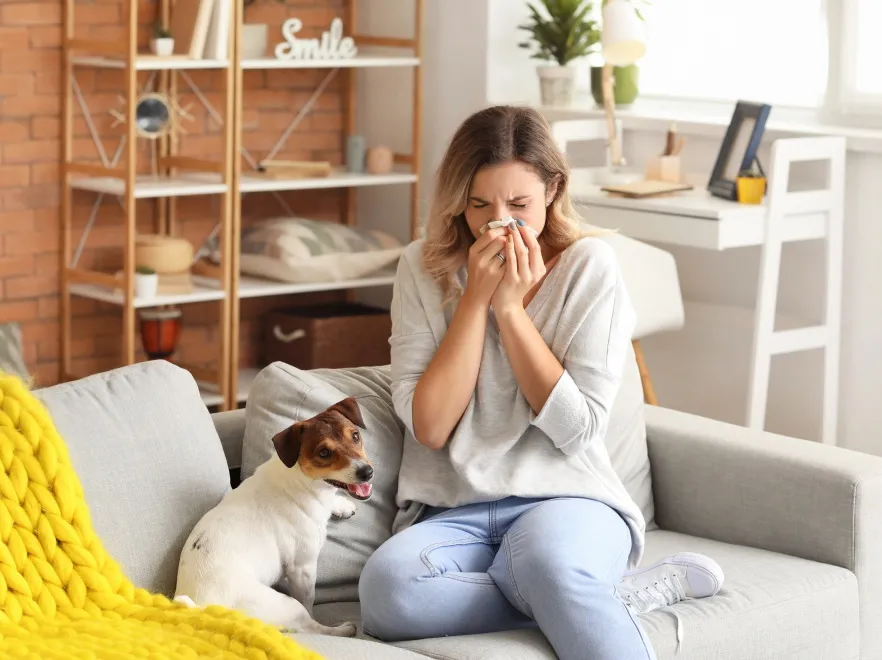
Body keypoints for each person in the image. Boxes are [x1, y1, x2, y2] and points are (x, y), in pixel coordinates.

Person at [358, 106, 721, 660]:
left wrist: (510, 309)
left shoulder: (589, 266)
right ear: (459, 199)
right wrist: (474, 300)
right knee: (389, 593)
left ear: (553, 190)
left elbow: (578, 430)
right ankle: (602, 596)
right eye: (479, 205)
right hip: (450, 511)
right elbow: (430, 427)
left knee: (548, 563)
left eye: (519, 205)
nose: (498, 223)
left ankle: (572, 588)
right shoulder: (421, 270)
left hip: (568, 497)